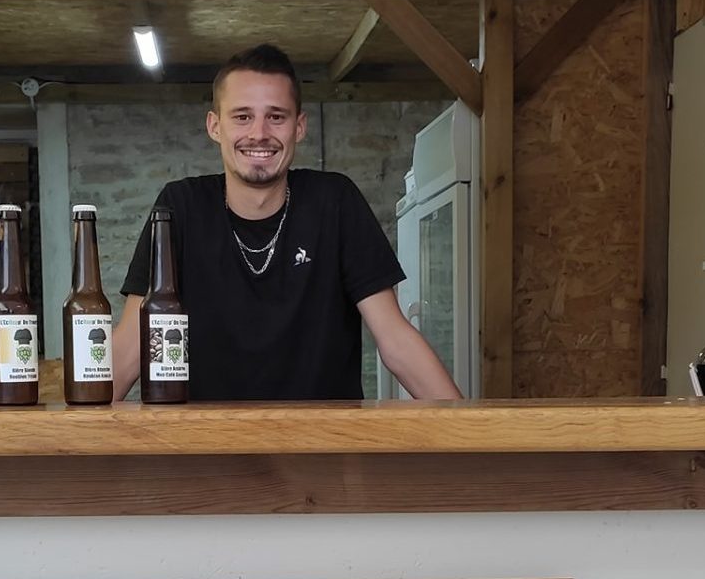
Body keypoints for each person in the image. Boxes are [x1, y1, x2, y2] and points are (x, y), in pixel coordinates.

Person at [111, 44, 463, 402]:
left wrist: (471, 427)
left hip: (322, 435)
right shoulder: (180, 207)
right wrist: (78, 430)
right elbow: (132, 347)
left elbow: (396, 340)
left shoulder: (335, 201)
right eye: (242, 116)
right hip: (210, 436)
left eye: (276, 117)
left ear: (299, 127)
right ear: (215, 126)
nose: (259, 133)